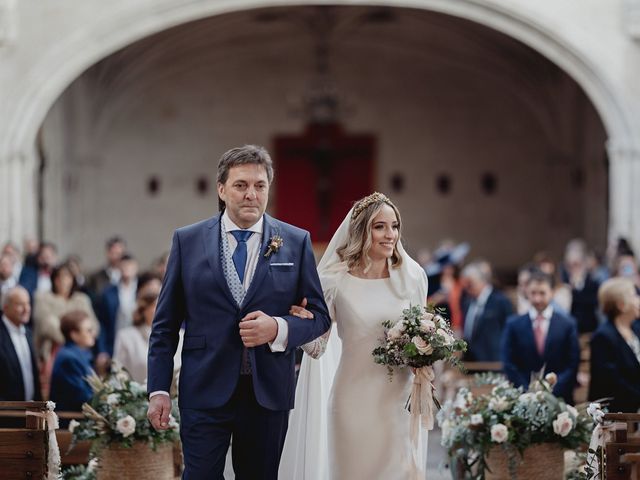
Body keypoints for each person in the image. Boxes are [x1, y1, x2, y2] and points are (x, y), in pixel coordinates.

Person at [146, 145, 331, 480]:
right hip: (203, 387)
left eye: (259, 185)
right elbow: (165, 325)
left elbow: (320, 316)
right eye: (241, 185)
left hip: (268, 392)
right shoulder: (187, 241)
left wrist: (277, 328)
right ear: (221, 189)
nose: (251, 194)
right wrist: (158, 389)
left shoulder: (295, 240)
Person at [280, 192, 430, 480]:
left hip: (398, 401)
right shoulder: (334, 281)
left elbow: (421, 333)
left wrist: (429, 353)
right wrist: (300, 327)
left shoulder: (414, 277)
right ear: (362, 230)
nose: (390, 235)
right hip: (351, 401)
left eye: (395, 226)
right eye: (380, 226)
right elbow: (318, 347)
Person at [501, 270, 580, 403]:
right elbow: (509, 363)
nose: (537, 299)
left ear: (552, 292)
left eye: (542, 293)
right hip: (523, 398)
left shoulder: (567, 324)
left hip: (559, 398)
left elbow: (572, 364)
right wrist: (528, 392)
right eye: (533, 293)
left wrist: (550, 391)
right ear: (527, 292)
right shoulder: (513, 324)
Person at [33, 262, 98, 393]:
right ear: (53, 279)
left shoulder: (81, 299)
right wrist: (75, 336)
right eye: (59, 277)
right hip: (51, 352)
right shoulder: (43, 298)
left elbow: (94, 326)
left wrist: (82, 334)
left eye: (67, 277)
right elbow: (47, 325)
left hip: (81, 352)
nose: (63, 281)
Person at [589, 277, 640, 412]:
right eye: (634, 295)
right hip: (616, 415)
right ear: (621, 305)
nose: (638, 300)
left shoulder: (636, 329)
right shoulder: (603, 337)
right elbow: (612, 383)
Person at [460, 261, 513, 362]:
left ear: (482, 281)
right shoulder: (467, 302)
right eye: (465, 285)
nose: (467, 289)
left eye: (470, 284)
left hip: (494, 360)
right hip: (470, 362)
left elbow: (509, 331)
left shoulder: (501, 301)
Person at [0, 287, 41, 402]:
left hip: (30, 412)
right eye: (20, 304)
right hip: (6, 414)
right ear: (5, 307)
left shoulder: (28, 333)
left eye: (28, 303)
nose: (26, 309)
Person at [49, 310, 95, 412]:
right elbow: (84, 398)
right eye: (88, 330)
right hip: (70, 422)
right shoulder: (69, 359)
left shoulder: (79, 354)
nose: (93, 334)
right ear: (74, 335)